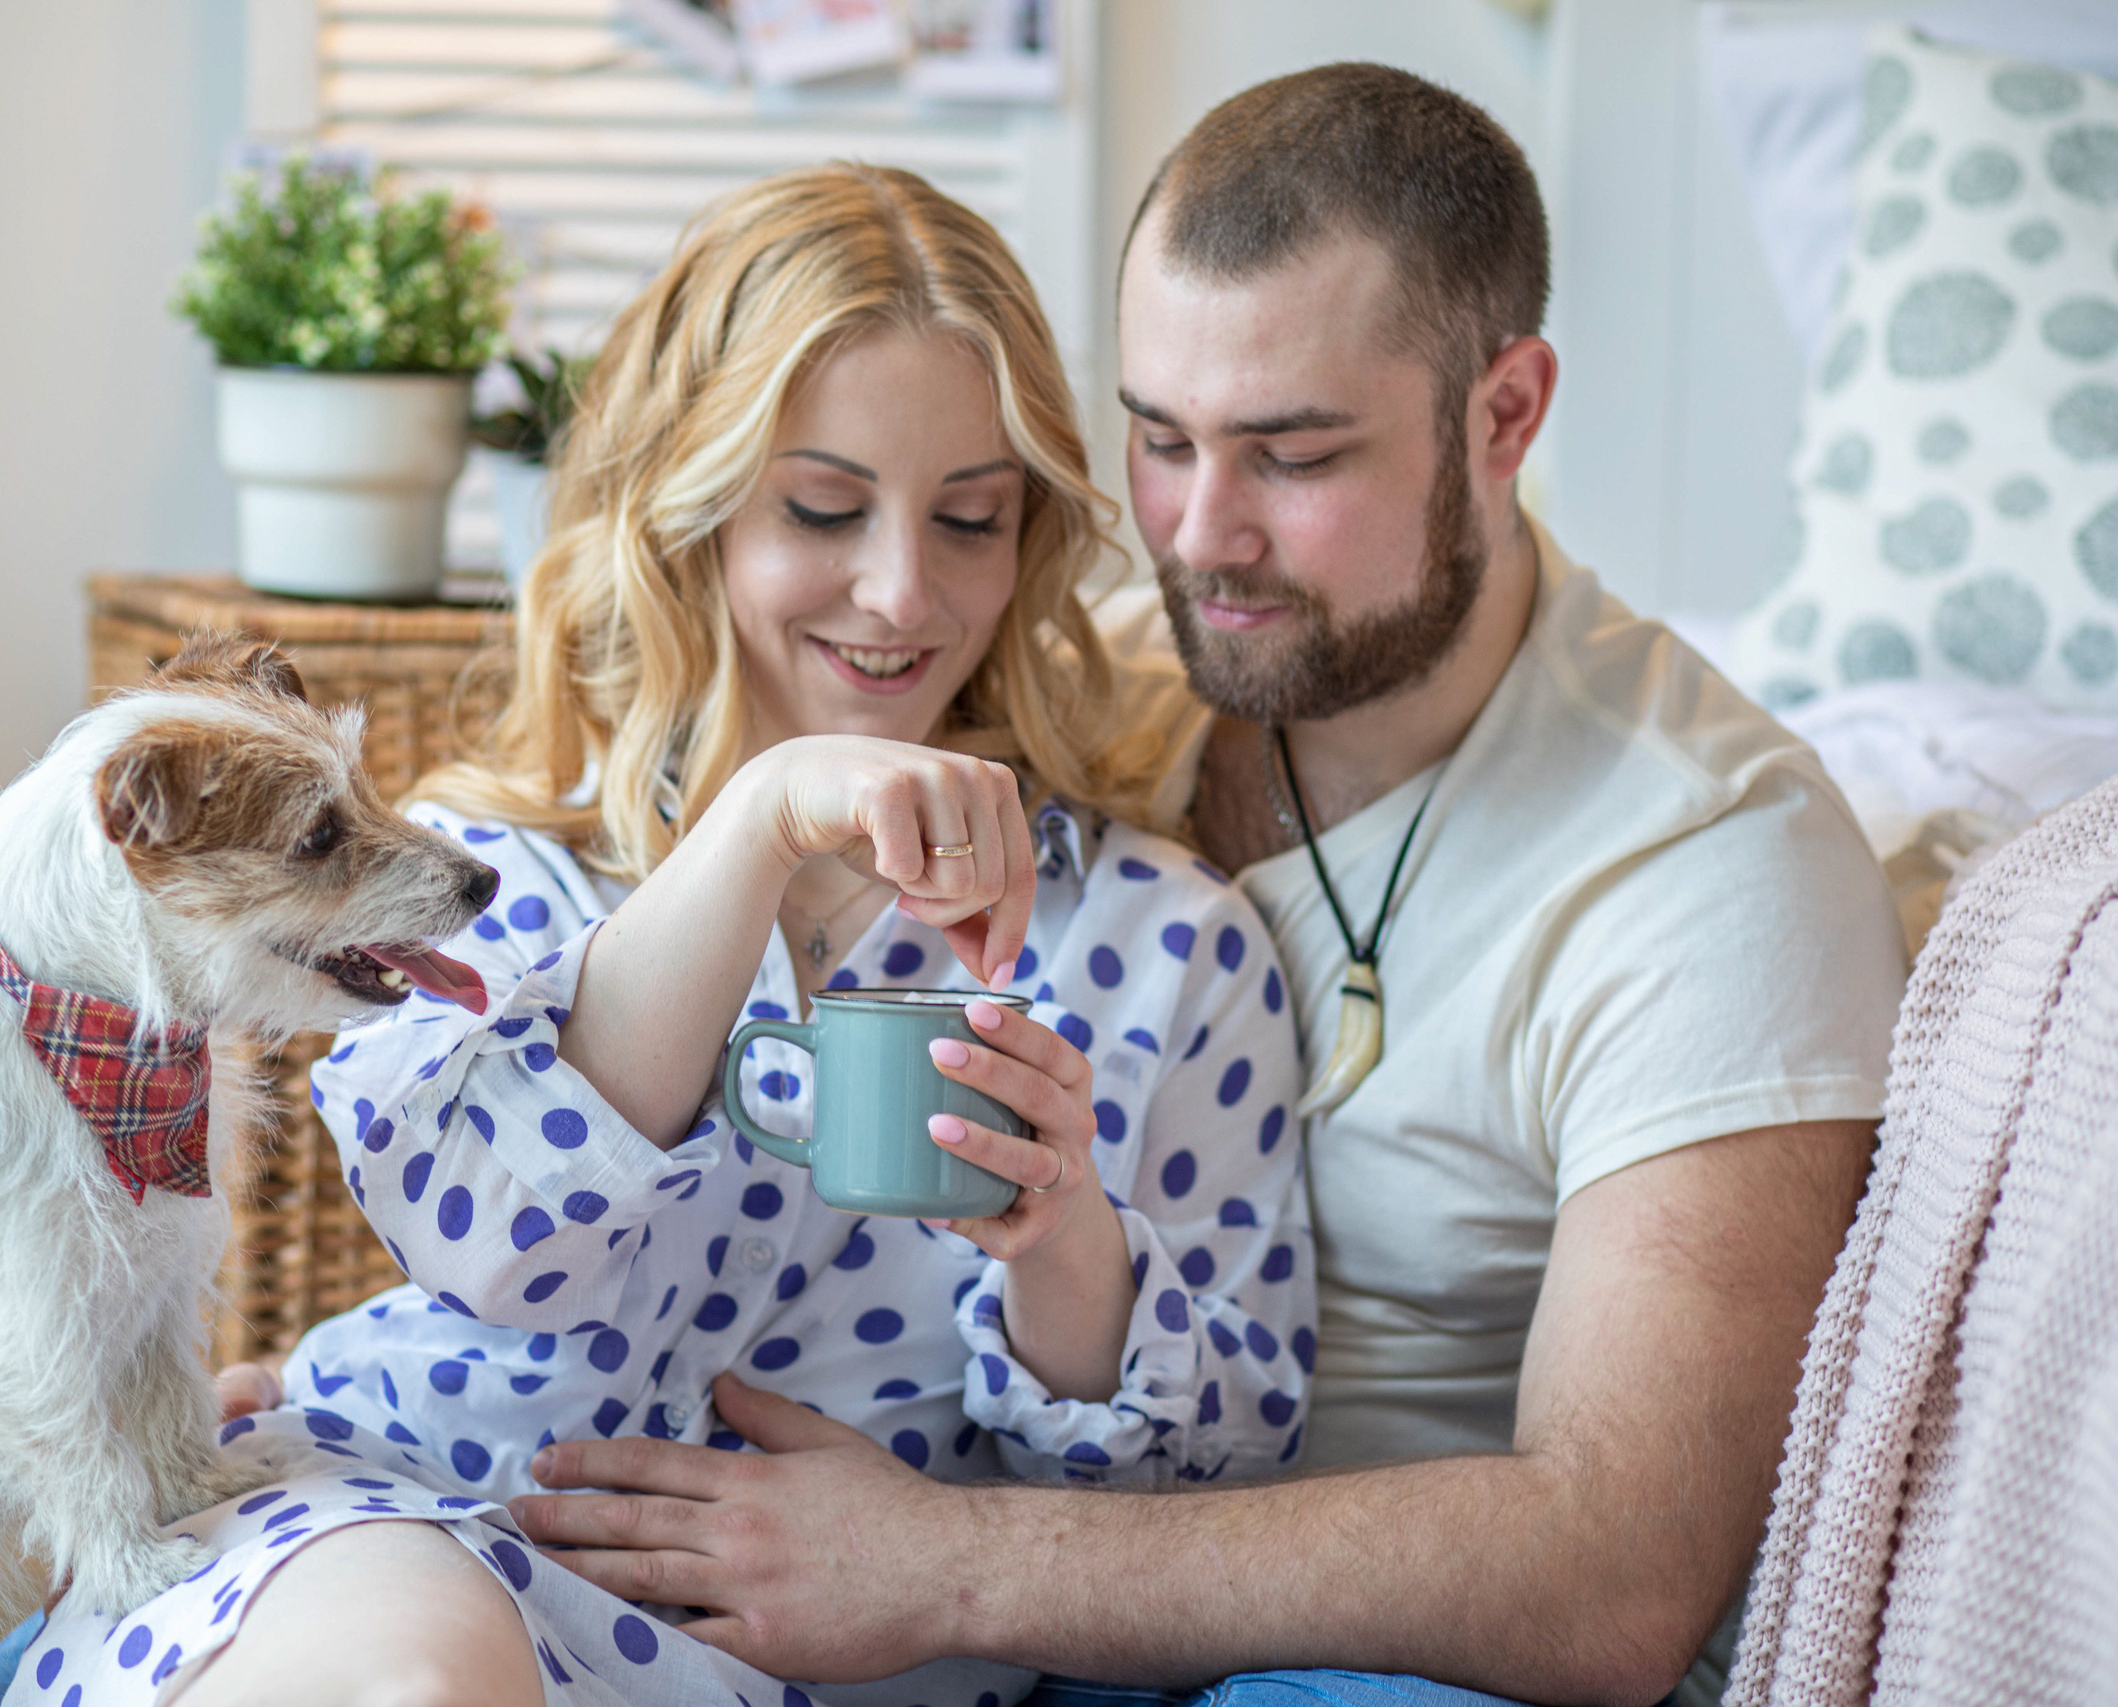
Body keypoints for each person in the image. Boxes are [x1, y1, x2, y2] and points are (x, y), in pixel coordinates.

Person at [501, 65, 1909, 1707]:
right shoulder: (1086, 709)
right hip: (963, 1623)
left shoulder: (1709, 862)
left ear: (1505, 412)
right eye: (1161, 442)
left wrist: (948, 1566)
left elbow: (1614, 1577)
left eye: (1294, 456)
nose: (1201, 537)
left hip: (1382, 1669)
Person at [5, 163, 1315, 1707]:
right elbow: (491, 1233)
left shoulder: (1166, 949)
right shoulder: (495, 869)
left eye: (971, 518)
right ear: (686, 512)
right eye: (822, 507)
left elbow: (1207, 1487)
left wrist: (1065, 1241)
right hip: (418, 1525)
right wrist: (758, 821)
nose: (903, 591)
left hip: (833, 1658)